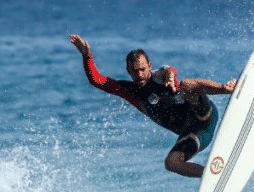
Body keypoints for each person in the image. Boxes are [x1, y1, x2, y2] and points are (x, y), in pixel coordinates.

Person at [70, 35, 236, 178]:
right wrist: (86, 55)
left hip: (204, 114)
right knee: (171, 163)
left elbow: (169, 70)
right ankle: (213, 177)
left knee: (186, 84)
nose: (140, 74)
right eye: (135, 71)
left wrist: (171, 77)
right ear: (128, 70)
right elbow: (97, 81)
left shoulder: (160, 76)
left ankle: (226, 89)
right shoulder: (129, 91)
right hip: (194, 134)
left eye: (143, 69)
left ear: (149, 66)